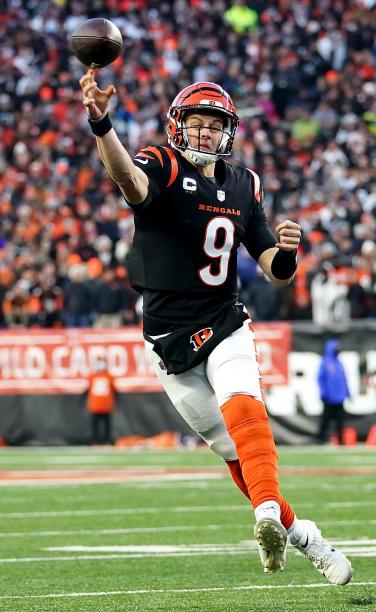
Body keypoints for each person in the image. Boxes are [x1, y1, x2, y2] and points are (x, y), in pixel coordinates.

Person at [79, 70, 351, 584]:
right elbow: (129, 182)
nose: (204, 133)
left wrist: (289, 253)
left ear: (228, 132)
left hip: (223, 317)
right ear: (178, 126)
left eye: (213, 125)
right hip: (167, 338)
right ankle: (304, 535)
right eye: (196, 123)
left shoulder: (244, 183)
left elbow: (271, 264)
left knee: (245, 408)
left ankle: (267, 513)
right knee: (232, 451)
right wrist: (100, 122)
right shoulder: (158, 160)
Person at [317, 339, 350, 444]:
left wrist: (347, 392)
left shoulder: (339, 363)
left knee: (341, 420)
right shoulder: (325, 362)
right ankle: (321, 438)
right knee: (326, 419)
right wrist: (323, 392)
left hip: (339, 397)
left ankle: (341, 440)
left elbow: (344, 379)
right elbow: (320, 378)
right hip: (329, 397)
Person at [85, 360, 117, 445]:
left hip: (104, 405)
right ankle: (97, 440)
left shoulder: (108, 376)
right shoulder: (94, 376)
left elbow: (114, 390)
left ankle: (105, 440)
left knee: (105, 425)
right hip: (97, 405)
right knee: (97, 425)